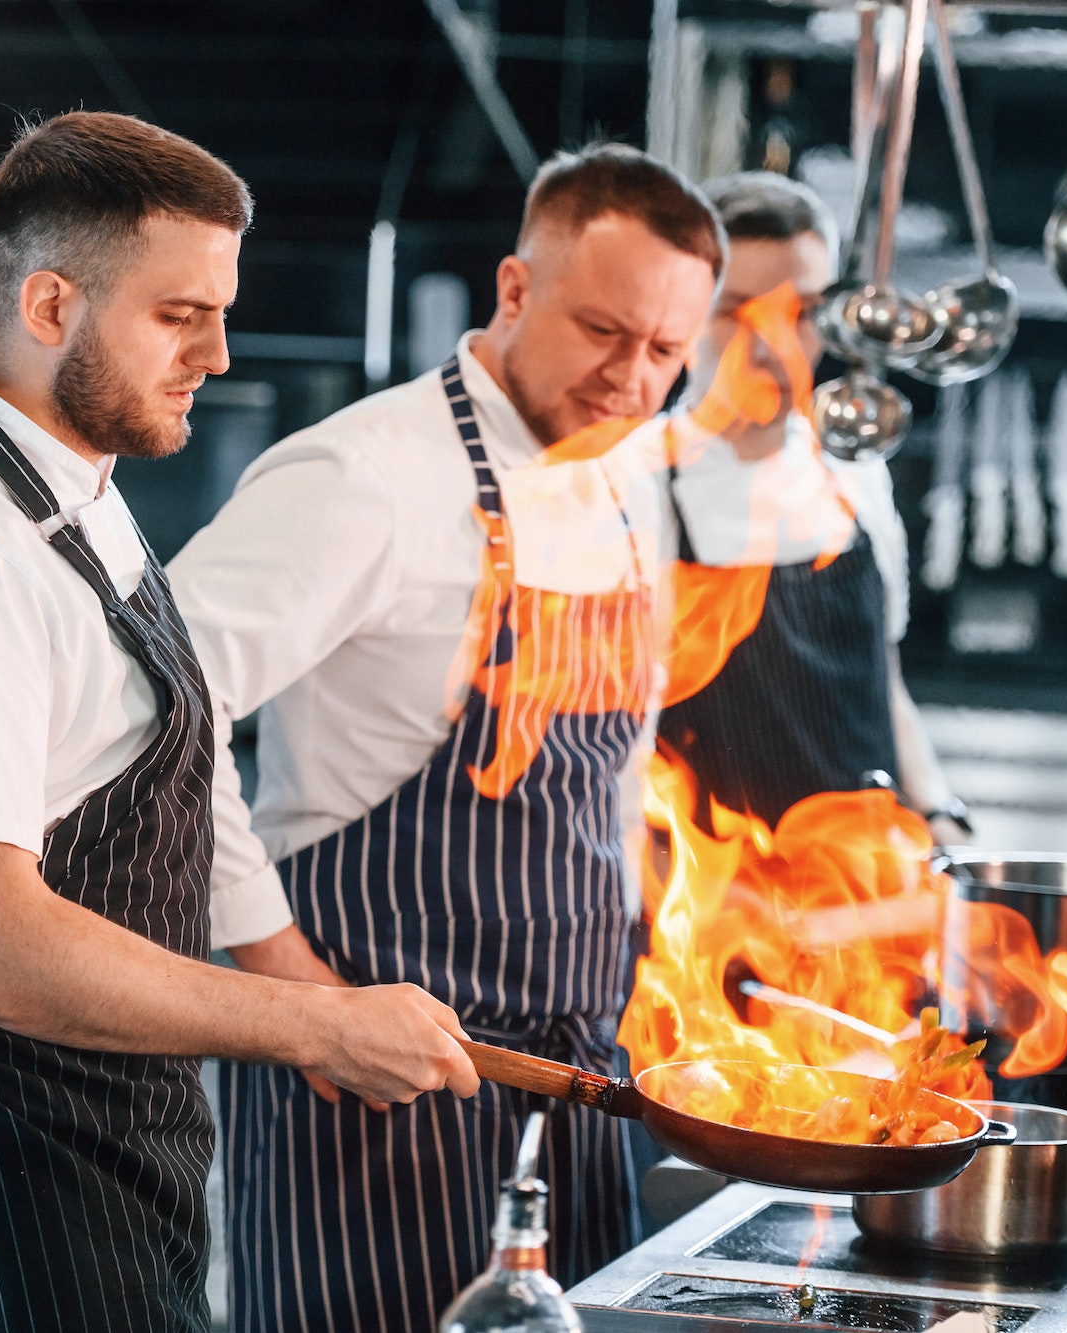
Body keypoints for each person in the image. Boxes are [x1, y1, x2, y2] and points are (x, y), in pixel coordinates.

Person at [0, 111, 478, 1333]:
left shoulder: (72, 488)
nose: (214, 350)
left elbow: (169, 776)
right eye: (178, 314)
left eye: (218, 308)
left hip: (88, 1127)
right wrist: (312, 1022)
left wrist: (306, 996)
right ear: (50, 305)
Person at [167, 143, 725, 1333]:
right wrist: (288, 986)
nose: (632, 381)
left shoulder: (632, 481)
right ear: (513, 290)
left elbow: (614, 785)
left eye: (666, 352)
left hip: (578, 1083)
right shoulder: (362, 477)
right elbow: (153, 709)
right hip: (370, 1091)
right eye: (601, 331)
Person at [655, 170, 968, 840]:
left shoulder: (854, 469)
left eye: (801, 312)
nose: (771, 344)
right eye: (737, 310)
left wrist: (941, 810)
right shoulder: (635, 483)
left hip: (867, 899)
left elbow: (884, 685)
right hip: (715, 912)